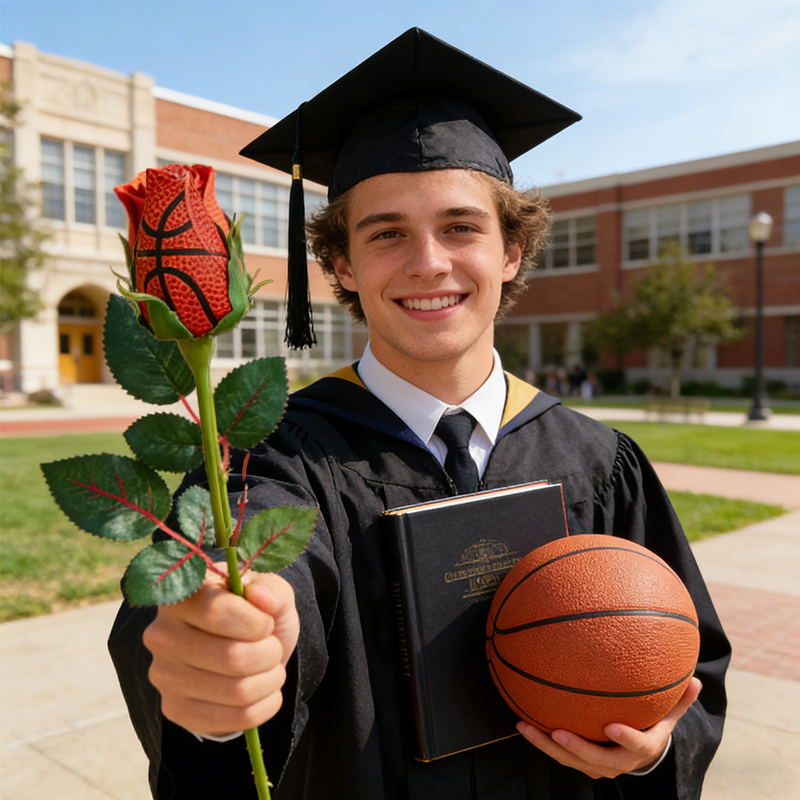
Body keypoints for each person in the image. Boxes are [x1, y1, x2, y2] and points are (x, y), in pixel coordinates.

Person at [109, 28, 729, 800]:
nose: (428, 262)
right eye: (387, 233)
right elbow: (245, 572)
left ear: (511, 251)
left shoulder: (601, 460)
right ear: (340, 265)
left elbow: (686, 661)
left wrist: (650, 749)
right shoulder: (271, 458)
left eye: (462, 227)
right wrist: (223, 675)